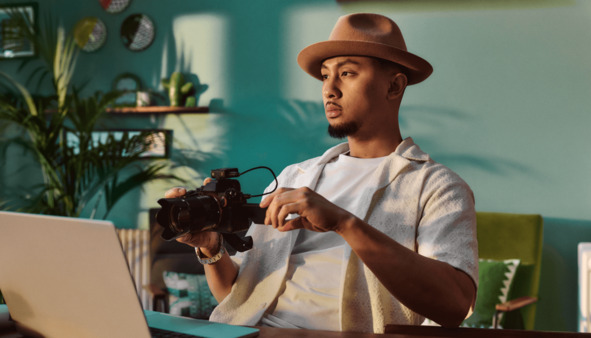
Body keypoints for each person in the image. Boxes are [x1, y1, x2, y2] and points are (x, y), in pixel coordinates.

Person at [165, 13, 477, 333]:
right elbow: (238, 301)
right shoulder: (294, 177)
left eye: (347, 73)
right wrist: (211, 248)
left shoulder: (436, 187)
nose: (329, 89)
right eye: (325, 76)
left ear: (394, 86)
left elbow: (454, 306)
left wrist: (344, 222)